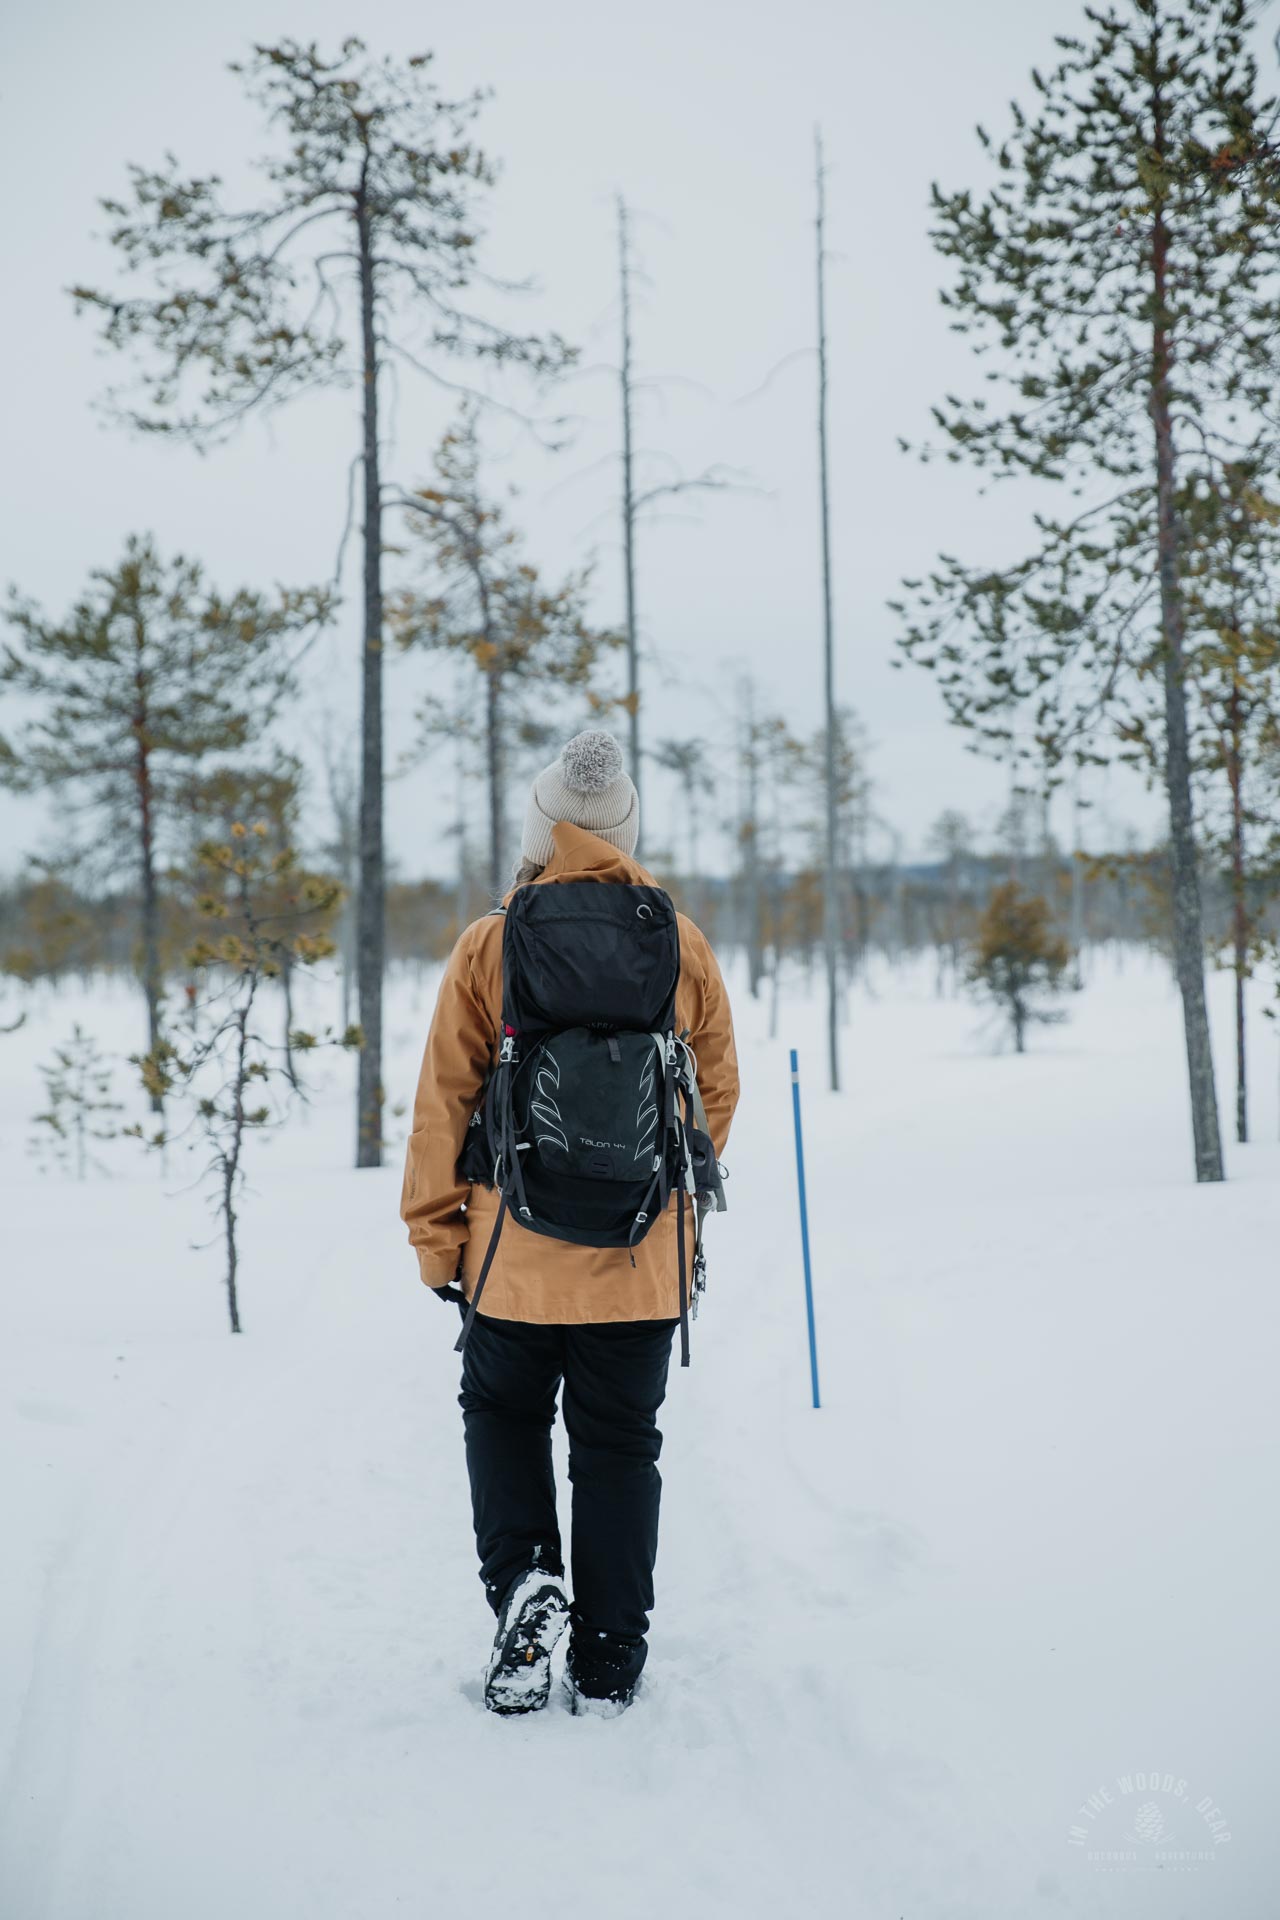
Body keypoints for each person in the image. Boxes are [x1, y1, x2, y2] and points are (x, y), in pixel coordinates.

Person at [400, 730, 739, 1717]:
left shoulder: (491, 941)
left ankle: (524, 1587)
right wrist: (657, 1190)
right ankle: (608, 1662)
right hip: (641, 1258)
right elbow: (713, 1088)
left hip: (512, 1258)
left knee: (501, 1415)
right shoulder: (677, 942)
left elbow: (442, 1103)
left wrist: (435, 1238)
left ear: (540, 828)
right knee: (619, 1445)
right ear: (626, 831)